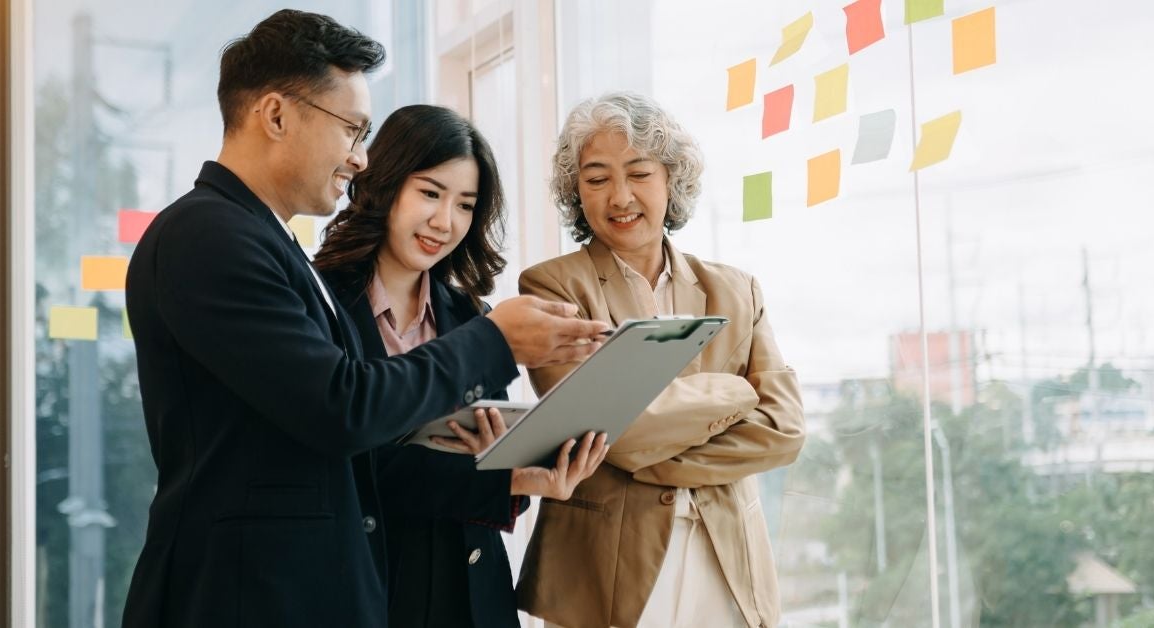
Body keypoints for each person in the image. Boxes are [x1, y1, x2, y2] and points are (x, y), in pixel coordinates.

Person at [121, 11, 606, 628]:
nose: (358, 160)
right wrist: (497, 340)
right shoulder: (208, 235)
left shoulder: (260, 238)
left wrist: (503, 470)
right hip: (245, 594)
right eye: (352, 130)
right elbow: (343, 406)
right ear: (276, 116)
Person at [514, 92, 806, 628]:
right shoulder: (551, 287)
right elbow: (608, 431)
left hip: (727, 558)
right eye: (597, 178)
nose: (620, 196)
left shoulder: (737, 290)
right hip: (603, 569)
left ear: (671, 180)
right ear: (576, 192)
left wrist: (643, 437)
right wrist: (736, 394)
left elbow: (783, 430)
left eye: (639, 172)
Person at [313, 104, 609, 627]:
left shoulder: (472, 317)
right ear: (383, 186)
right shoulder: (321, 302)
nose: (445, 222)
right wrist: (508, 479)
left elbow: (490, 472)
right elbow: (357, 468)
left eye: (465, 205)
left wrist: (529, 468)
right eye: (430, 193)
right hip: (375, 595)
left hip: (474, 599)